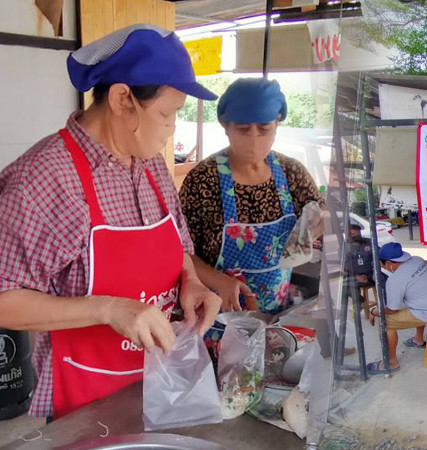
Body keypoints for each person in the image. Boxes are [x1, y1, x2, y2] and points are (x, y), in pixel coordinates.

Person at [0, 24, 222, 420]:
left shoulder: (151, 165)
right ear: (123, 99)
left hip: (156, 389)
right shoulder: (44, 179)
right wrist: (109, 310)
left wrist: (192, 282)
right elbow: (4, 301)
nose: (172, 129)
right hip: (80, 406)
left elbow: (179, 251)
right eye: (167, 115)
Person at [180, 78, 324, 317]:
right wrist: (219, 280)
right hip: (217, 315)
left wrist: (319, 223)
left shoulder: (291, 172)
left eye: (264, 128)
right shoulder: (203, 179)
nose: (254, 140)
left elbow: (322, 213)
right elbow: (179, 252)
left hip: (275, 312)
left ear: (277, 124)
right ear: (225, 125)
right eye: (243, 129)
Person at [367, 243, 427, 375]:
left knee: (384, 321)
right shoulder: (417, 259)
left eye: (381, 263)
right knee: (414, 302)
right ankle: (418, 340)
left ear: (389, 262)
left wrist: (374, 311)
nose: (381, 266)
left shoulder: (395, 280)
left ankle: (391, 362)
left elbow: (392, 309)